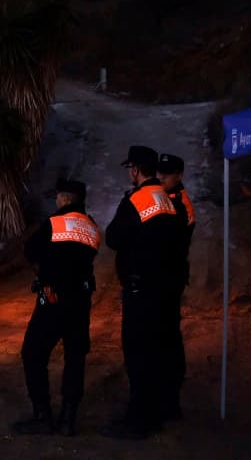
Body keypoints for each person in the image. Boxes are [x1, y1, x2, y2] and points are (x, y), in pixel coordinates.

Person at [12, 178, 100, 436]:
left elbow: (30, 252)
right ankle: (68, 419)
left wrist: (45, 276)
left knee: (33, 353)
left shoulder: (53, 223)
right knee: (75, 358)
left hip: (53, 299)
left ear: (65, 198)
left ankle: (43, 415)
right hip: (81, 301)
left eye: (58, 196)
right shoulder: (92, 226)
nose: (56, 200)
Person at [101, 145, 178, 440]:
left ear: (135, 169)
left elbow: (113, 237)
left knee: (137, 354)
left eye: (130, 169)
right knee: (155, 351)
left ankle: (137, 421)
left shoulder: (137, 199)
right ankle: (154, 413)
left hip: (140, 288)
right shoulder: (166, 199)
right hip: (161, 286)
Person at [156, 152, 196, 421]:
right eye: (159, 173)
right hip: (165, 276)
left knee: (168, 337)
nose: (161, 178)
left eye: (166, 174)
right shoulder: (166, 198)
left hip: (169, 279)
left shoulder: (181, 204)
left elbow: (173, 242)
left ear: (179, 175)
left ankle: (170, 400)